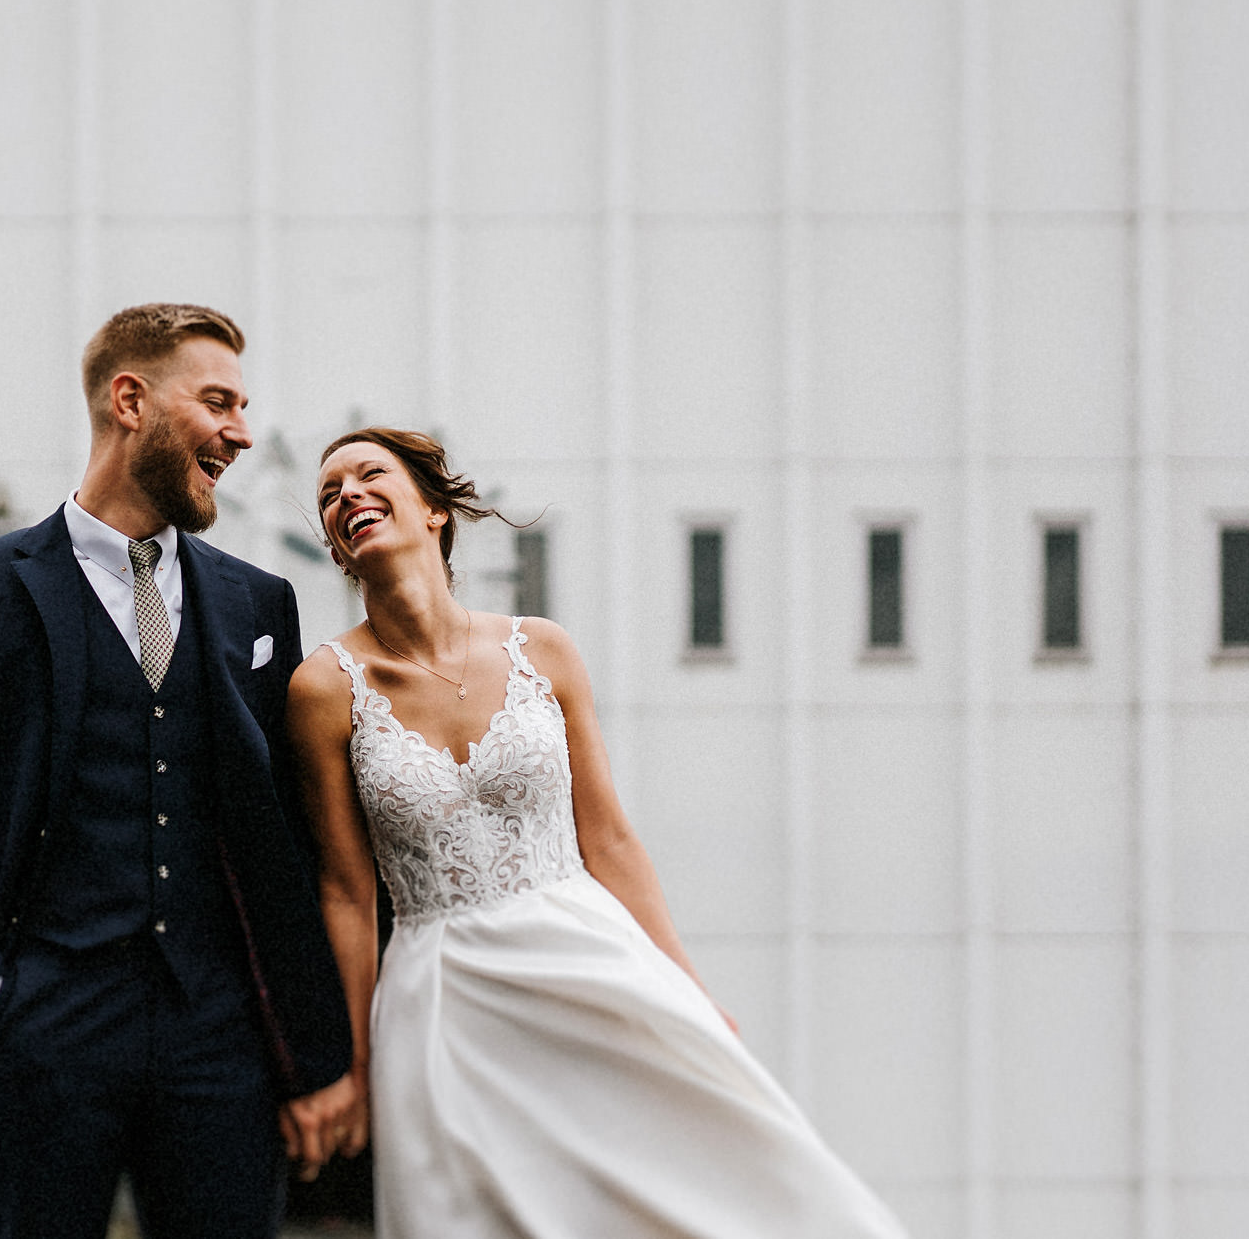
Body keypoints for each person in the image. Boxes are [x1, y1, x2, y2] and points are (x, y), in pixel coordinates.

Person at [289, 427, 910, 1238]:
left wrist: (688, 991)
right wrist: (359, 1065)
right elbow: (345, 889)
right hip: (442, 999)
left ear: (436, 510)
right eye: (330, 494)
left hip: (582, 955)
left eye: (370, 475)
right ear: (337, 547)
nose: (348, 496)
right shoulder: (322, 689)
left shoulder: (542, 650)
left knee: (720, 1178)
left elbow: (610, 839)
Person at [0, 305, 363, 1239]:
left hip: (221, 1043)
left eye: (246, 407)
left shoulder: (259, 601)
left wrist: (309, 1054)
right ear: (129, 400)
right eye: (218, 402)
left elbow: (283, 843)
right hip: (42, 1028)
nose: (243, 433)